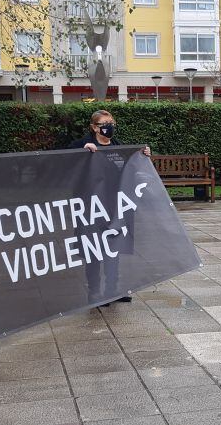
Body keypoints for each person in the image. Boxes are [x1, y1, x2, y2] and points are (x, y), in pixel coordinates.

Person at [70, 110, 150, 306]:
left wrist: (144, 155)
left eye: (112, 122)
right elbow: (64, 160)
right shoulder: (83, 145)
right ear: (94, 127)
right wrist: (82, 149)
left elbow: (131, 168)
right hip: (91, 208)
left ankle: (112, 290)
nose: (109, 126)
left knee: (113, 248)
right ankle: (95, 293)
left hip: (114, 207)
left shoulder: (118, 146)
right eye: (105, 123)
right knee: (94, 250)